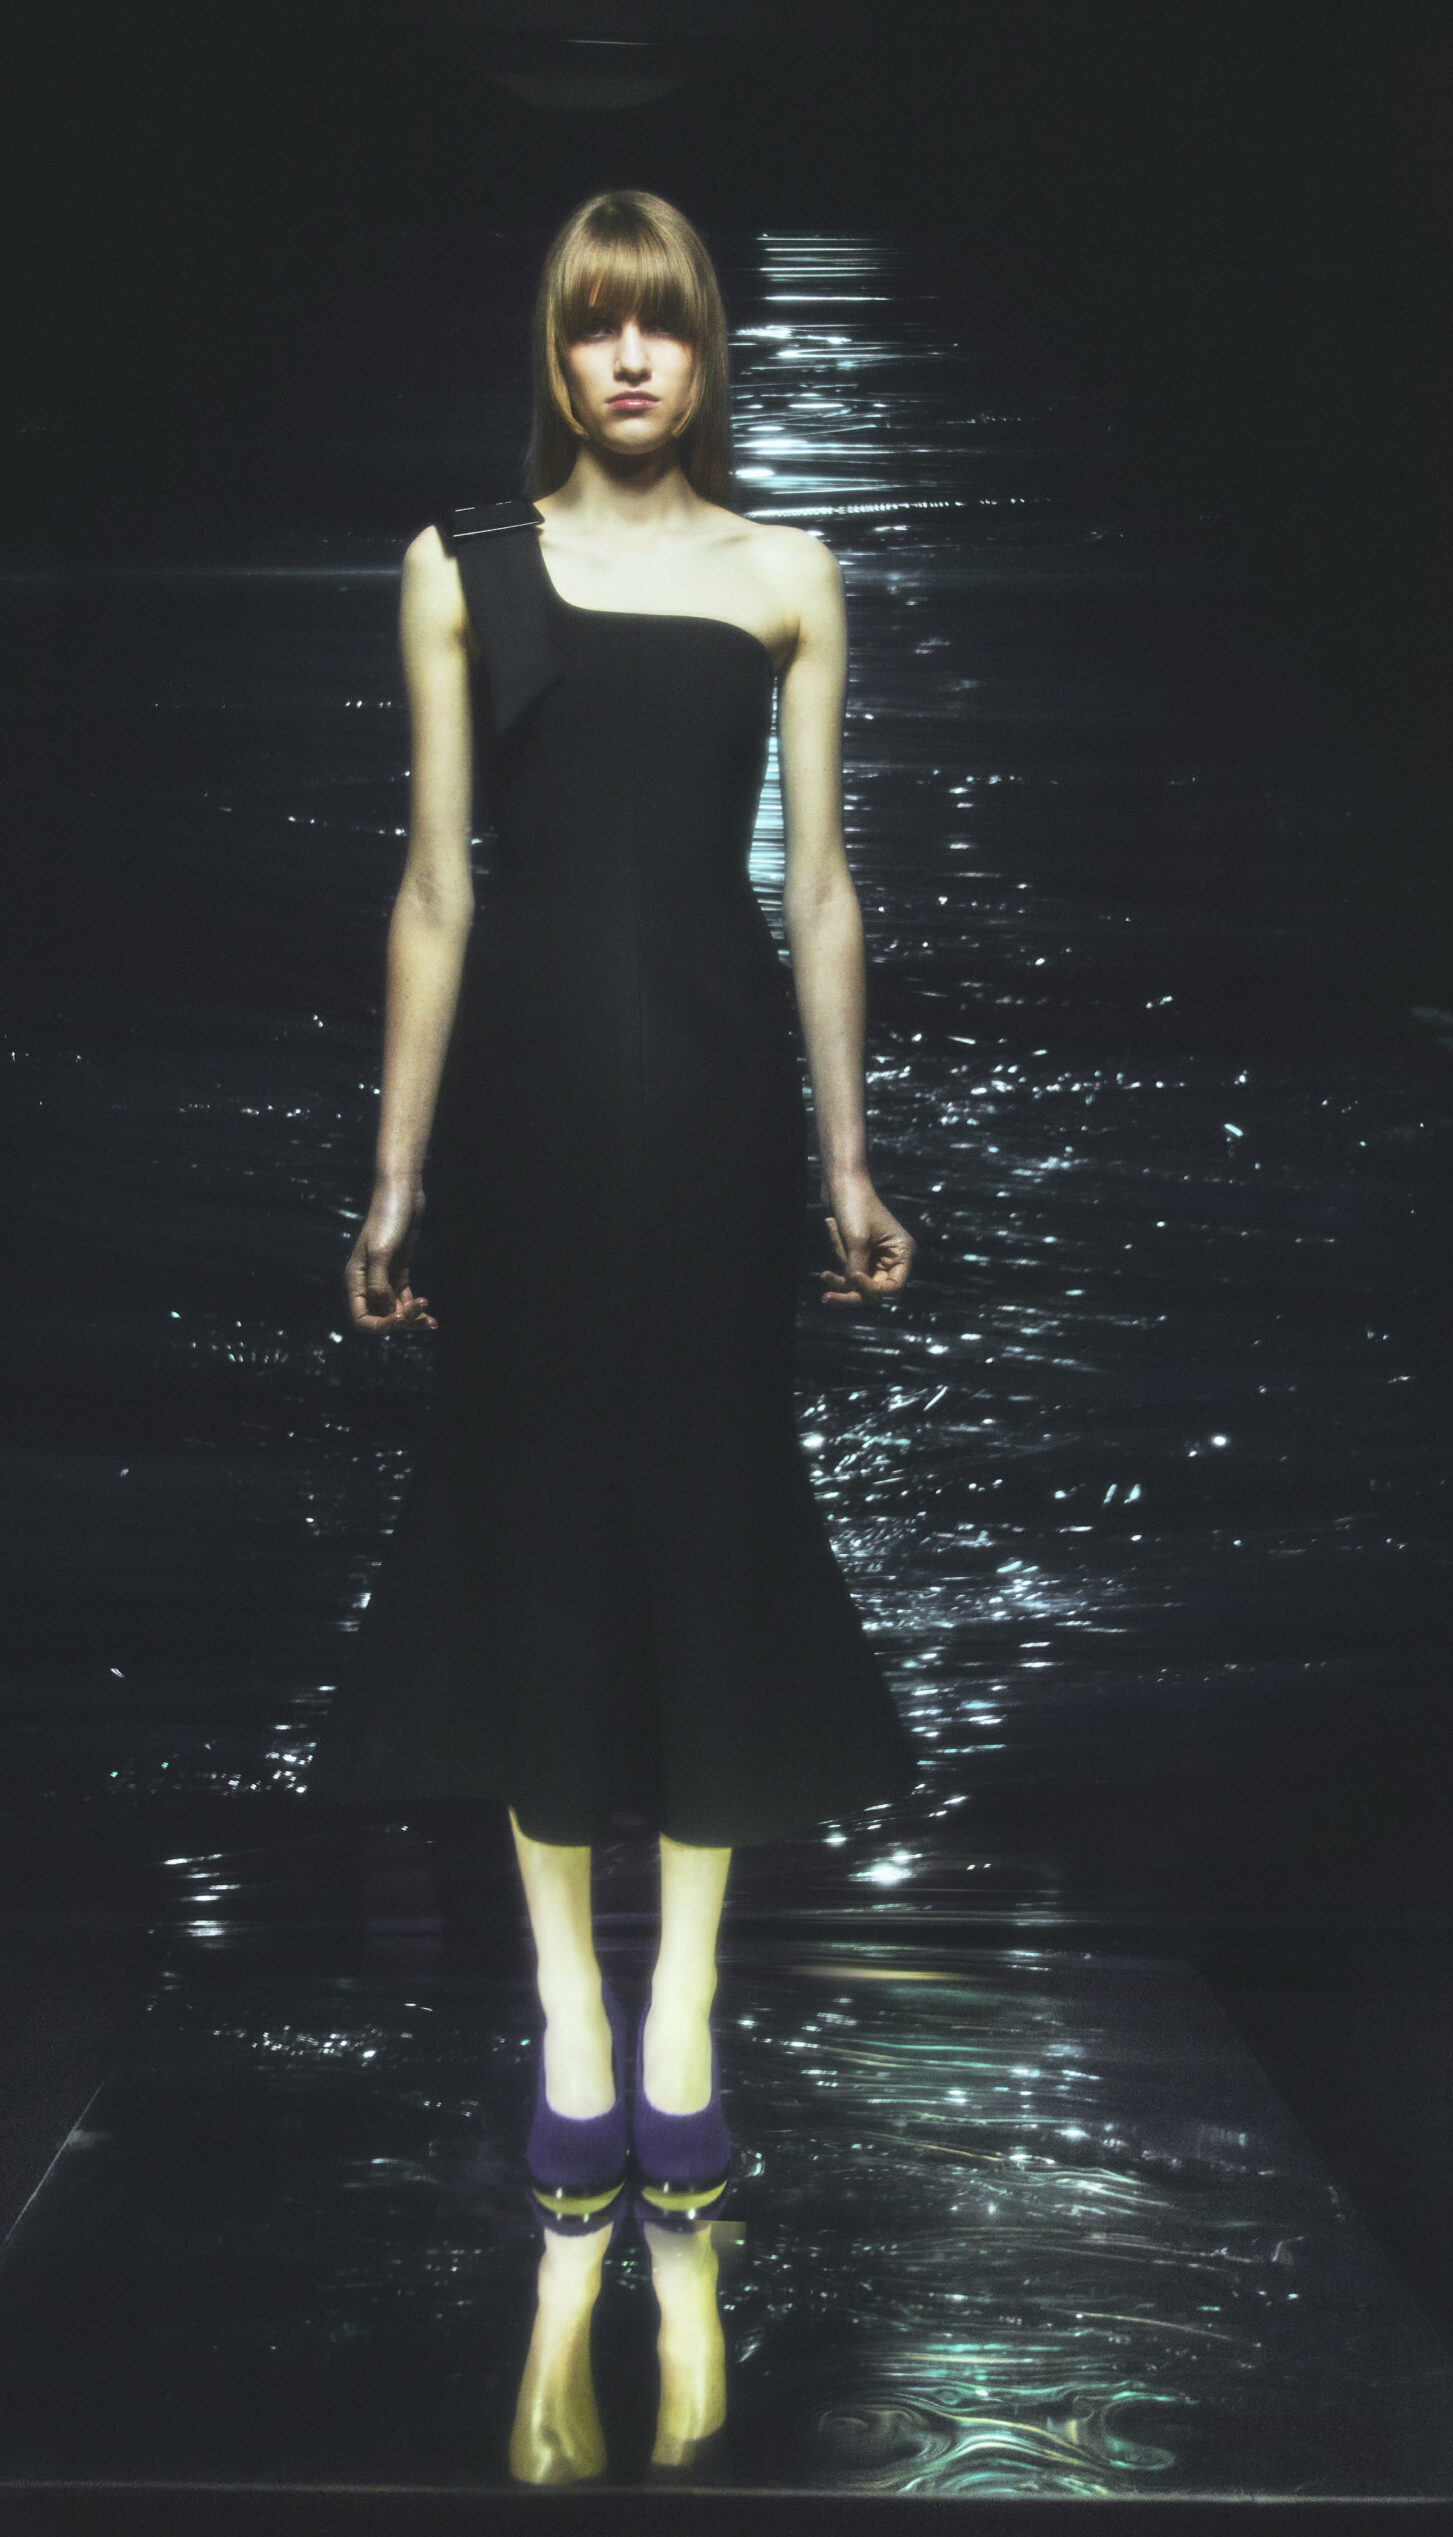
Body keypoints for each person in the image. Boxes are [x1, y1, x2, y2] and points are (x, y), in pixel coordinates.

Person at [307, 189, 915, 2225]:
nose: (628, 358)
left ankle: (686, 2010)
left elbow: (817, 887)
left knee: (712, 1529)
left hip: (725, 1124)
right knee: (541, 1536)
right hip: (527, 1125)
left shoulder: (787, 574)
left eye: (657, 323)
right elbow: (436, 886)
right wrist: (395, 1176)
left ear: (701, 346)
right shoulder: (461, 567)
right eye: (593, 326)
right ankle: (572, 2007)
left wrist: (843, 1157)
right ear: (556, 354)